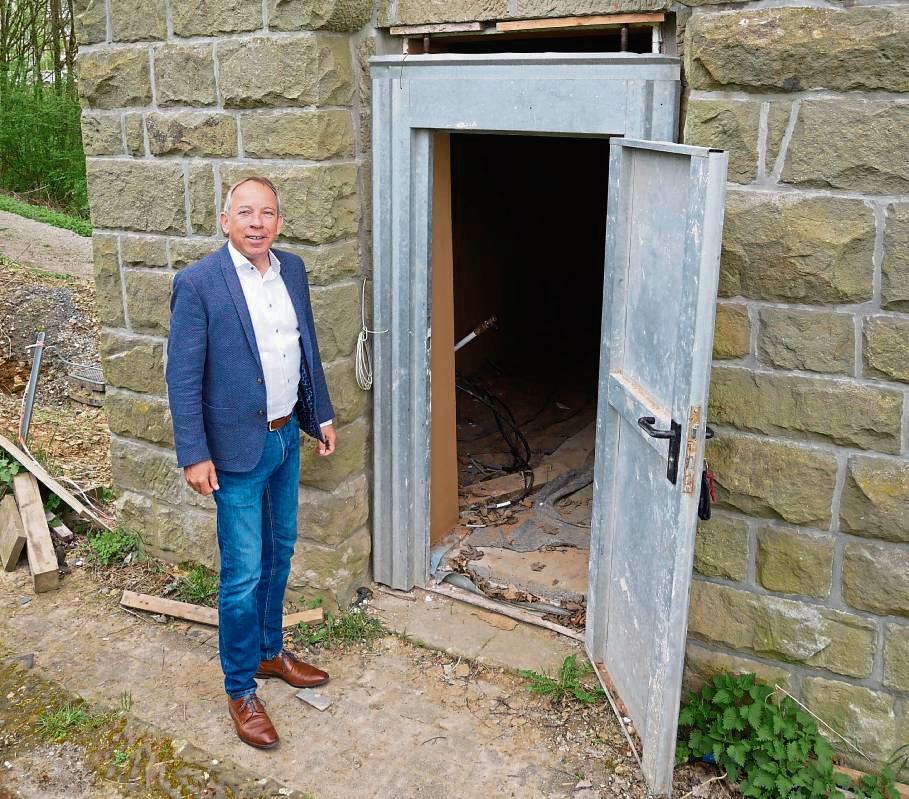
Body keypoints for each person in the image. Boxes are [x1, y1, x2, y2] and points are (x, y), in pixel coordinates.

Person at [166, 176, 337, 749]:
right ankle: (240, 688)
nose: (257, 223)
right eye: (245, 212)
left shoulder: (291, 269)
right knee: (242, 574)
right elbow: (182, 377)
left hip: (285, 437)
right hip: (236, 451)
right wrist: (194, 452)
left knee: (281, 550)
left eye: (267, 213)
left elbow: (303, 345)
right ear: (224, 220)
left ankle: (267, 653)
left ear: (279, 223)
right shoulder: (198, 284)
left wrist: (321, 416)